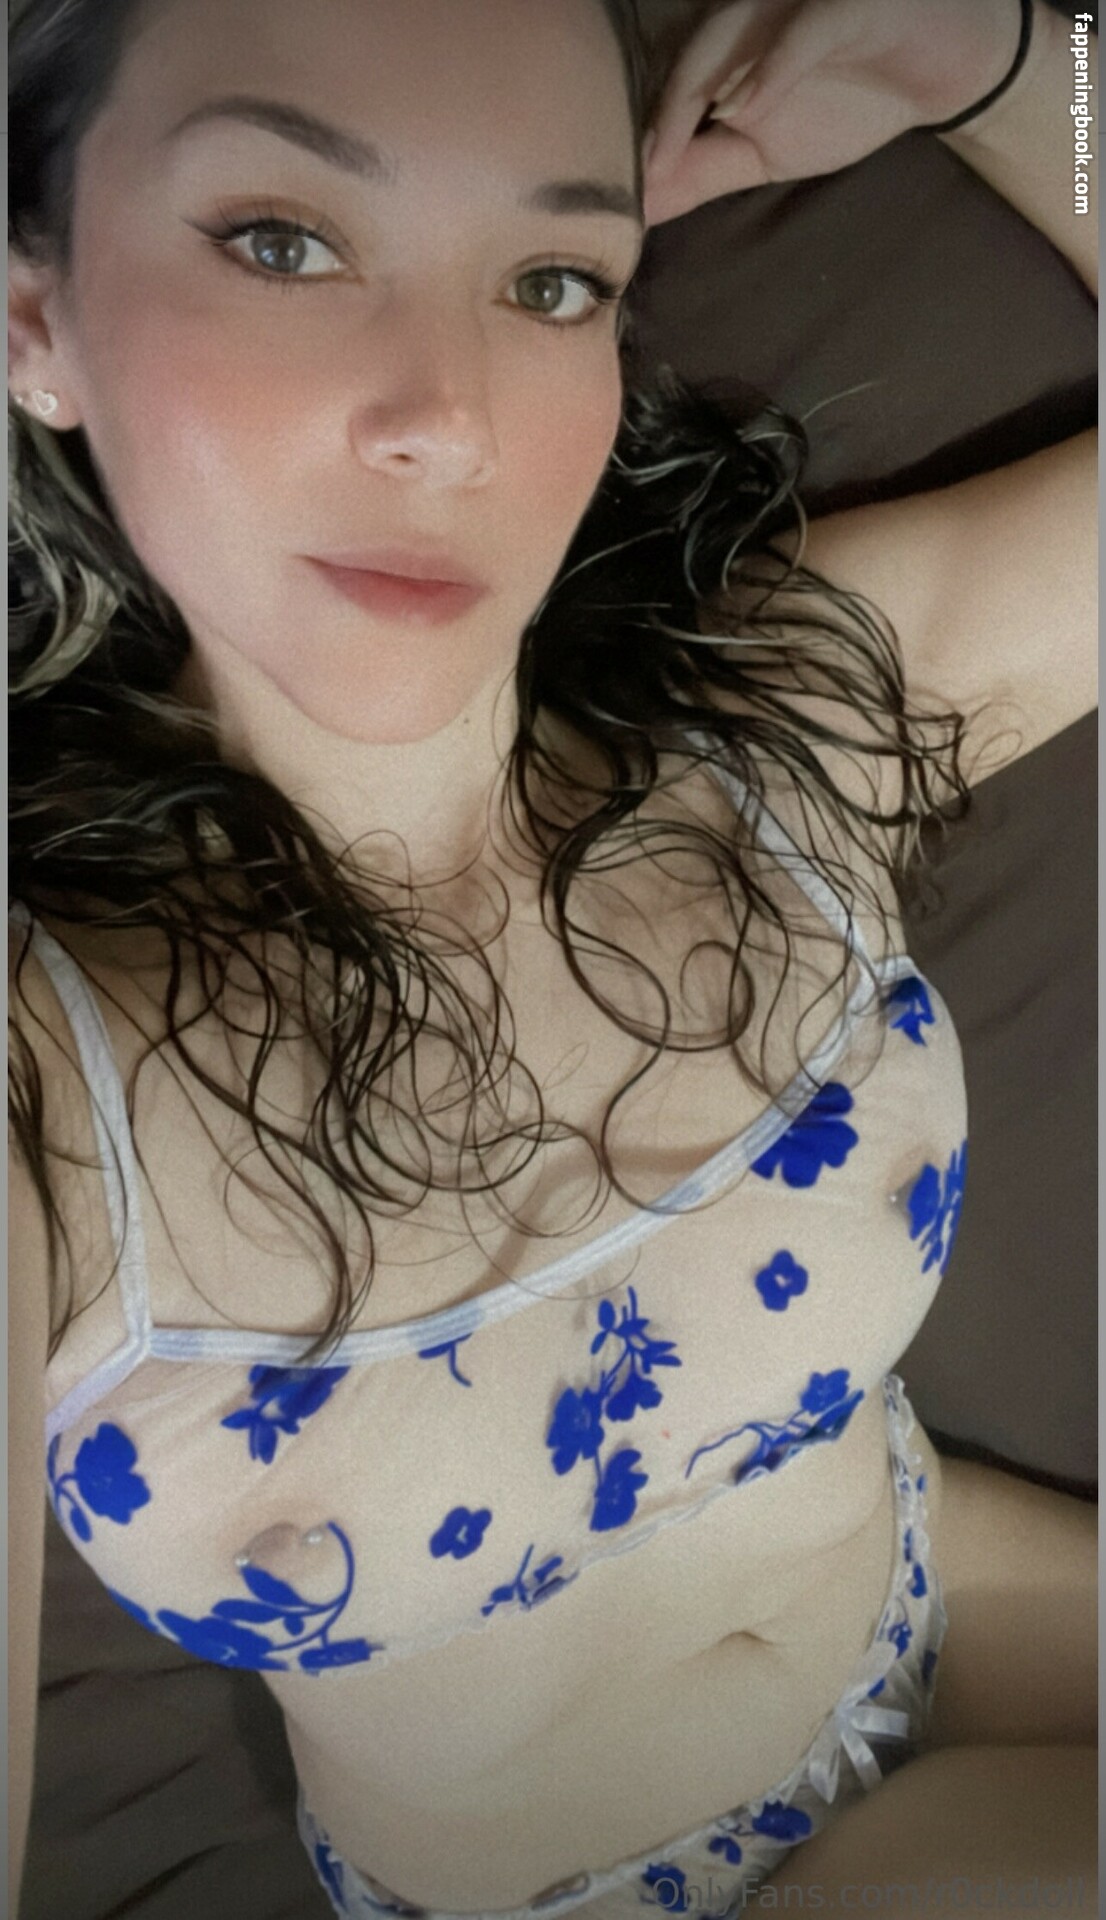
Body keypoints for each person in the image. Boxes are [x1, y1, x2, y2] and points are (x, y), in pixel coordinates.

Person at [7, 1, 1095, 1915]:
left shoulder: (791, 726)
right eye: (282, 242)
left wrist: (1015, 67)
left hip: (977, 1613)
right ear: (37, 321)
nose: (450, 419)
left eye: (550, 280)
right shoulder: (41, 1081)